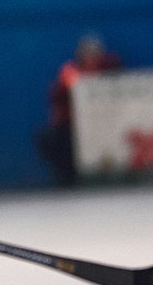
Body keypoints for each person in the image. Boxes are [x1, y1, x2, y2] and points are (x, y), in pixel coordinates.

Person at [35, 34, 122, 188]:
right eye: (87, 53)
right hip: (71, 125)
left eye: (94, 53)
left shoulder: (109, 68)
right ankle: (67, 177)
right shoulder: (71, 71)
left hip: (104, 123)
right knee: (49, 138)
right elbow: (58, 93)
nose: (91, 57)